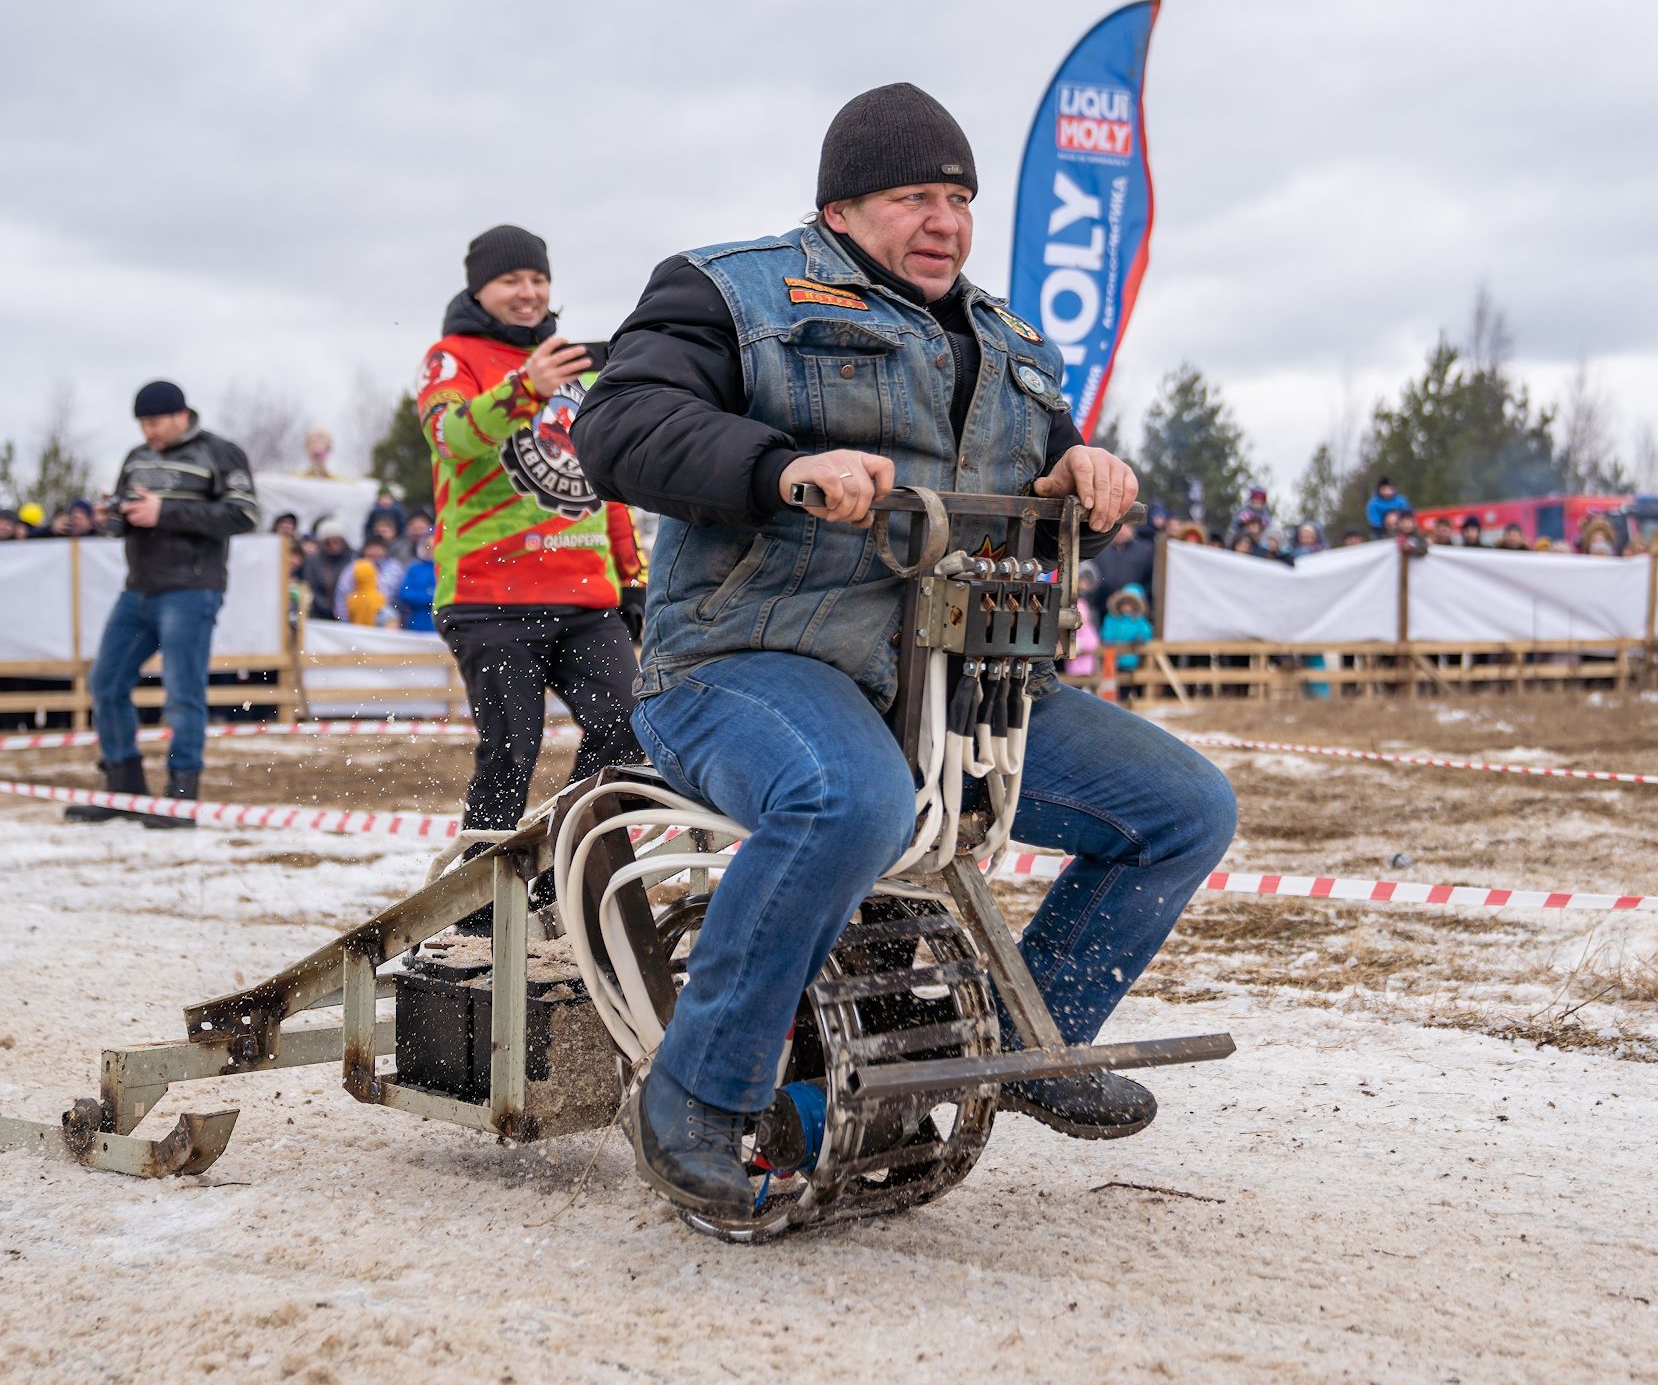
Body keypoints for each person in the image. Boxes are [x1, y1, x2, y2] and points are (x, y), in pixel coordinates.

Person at [572, 82, 1236, 1220]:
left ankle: (1025, 1036)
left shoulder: (1010, 341)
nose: (945, 221)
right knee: (847, 799)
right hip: (746, 662)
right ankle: (698, 1093)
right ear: (838, 208)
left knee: (1182, 807)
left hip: (955, 680)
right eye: (914, 197)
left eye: (960, 199)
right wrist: (782, 467)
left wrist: (1082, 476)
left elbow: (1034, 479)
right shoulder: (726, 292)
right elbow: (620, 426)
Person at [415, 223, 648, 917]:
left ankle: (559, 873)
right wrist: (523, 389)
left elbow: (603, 476)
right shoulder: (451, 358)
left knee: (629, 729)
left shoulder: (576, 367)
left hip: (586, 597)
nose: (529, 292)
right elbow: (450, 438)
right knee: (512, 752)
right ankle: (476, 915)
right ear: (479, 289)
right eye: (511, 280)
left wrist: (631, 577)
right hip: (489, 596)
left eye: (538, 279)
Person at [75, 381, 257, 815]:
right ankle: (124, 791)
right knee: (105, 682)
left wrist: (166, 512)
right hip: (138, 587)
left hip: (192, 589)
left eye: (154, 422)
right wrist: (113, 516)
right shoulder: (137, 457)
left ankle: (181, 797)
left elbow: (244, 513)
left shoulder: (220, 453)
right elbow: (125, 515)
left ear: (181, 415)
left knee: (182, 691)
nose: (148, 431)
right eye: (141, 423)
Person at [1099, 584, 1153, 703]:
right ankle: (1112, 703)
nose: (1126, 607)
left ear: (1135, 606)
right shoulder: (1112, 618)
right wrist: (1107, 639)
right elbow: (1106, 631)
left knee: (1129, 685)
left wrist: (1141, 638)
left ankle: (1126, 703)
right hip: (1113, 659)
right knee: (1112, 684)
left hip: (1131, 660)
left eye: (1130, 604)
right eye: (1124, 604)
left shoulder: (1139, 621)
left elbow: (1146, 632)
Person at [337, 533, 402, 625]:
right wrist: (345, 621)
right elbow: (342, 593)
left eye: (378, 548)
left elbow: (399, 595)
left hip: (386, 619)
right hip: (355, 619)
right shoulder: (354, 567)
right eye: (371, 548)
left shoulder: (394, 568)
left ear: (385, 549)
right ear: (364, 549)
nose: (374, 552)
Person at [302, 518, 354, 620]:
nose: (333, 546)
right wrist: (330, 609)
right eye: (328, 542)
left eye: (336, 541)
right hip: (321, 614)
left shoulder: (353, 558)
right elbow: (311, 588)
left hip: (349, 614)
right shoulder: (313, 561)